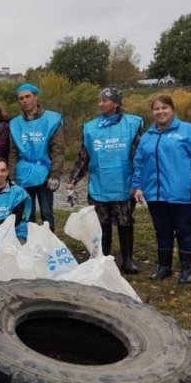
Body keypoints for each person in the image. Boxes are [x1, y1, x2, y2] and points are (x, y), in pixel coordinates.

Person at [133, 94, 191, 284]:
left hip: (182, 192)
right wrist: (137, 186)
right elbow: (139, 163)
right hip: (155, 194)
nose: (160, 112)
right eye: (156, 109)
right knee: (162, 231)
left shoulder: (188, 131)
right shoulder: (147, 137)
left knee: (184, 230)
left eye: (164, 108)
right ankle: (164, 267)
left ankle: (186, 270)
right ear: (153, 112)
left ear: (172, 109)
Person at [65, 87, 144, 274]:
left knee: (125, 223)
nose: (100, 104)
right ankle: (103, 259)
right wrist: (72, 181)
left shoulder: (132, 124)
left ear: (116, 103)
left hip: (124, 185)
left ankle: (127, 261)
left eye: (105, 100)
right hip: (99, 186)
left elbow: (139, 157)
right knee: (103, 225)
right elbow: (83, 157)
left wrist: (140, 183)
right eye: (99, 100)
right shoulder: (90, 128)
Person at [8, 83, 65, 231]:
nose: (24, 100)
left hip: (45, 173)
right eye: (21, 98)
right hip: (23, 173)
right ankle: (29, 245)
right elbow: (13, 152)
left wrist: (55, 174)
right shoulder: (15, 124)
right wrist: (12, 176)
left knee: (46, 213)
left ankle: (50, 244)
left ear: (36, 97)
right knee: (28, 213)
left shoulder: (52, 119)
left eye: (28, 96)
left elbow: (58, 150)